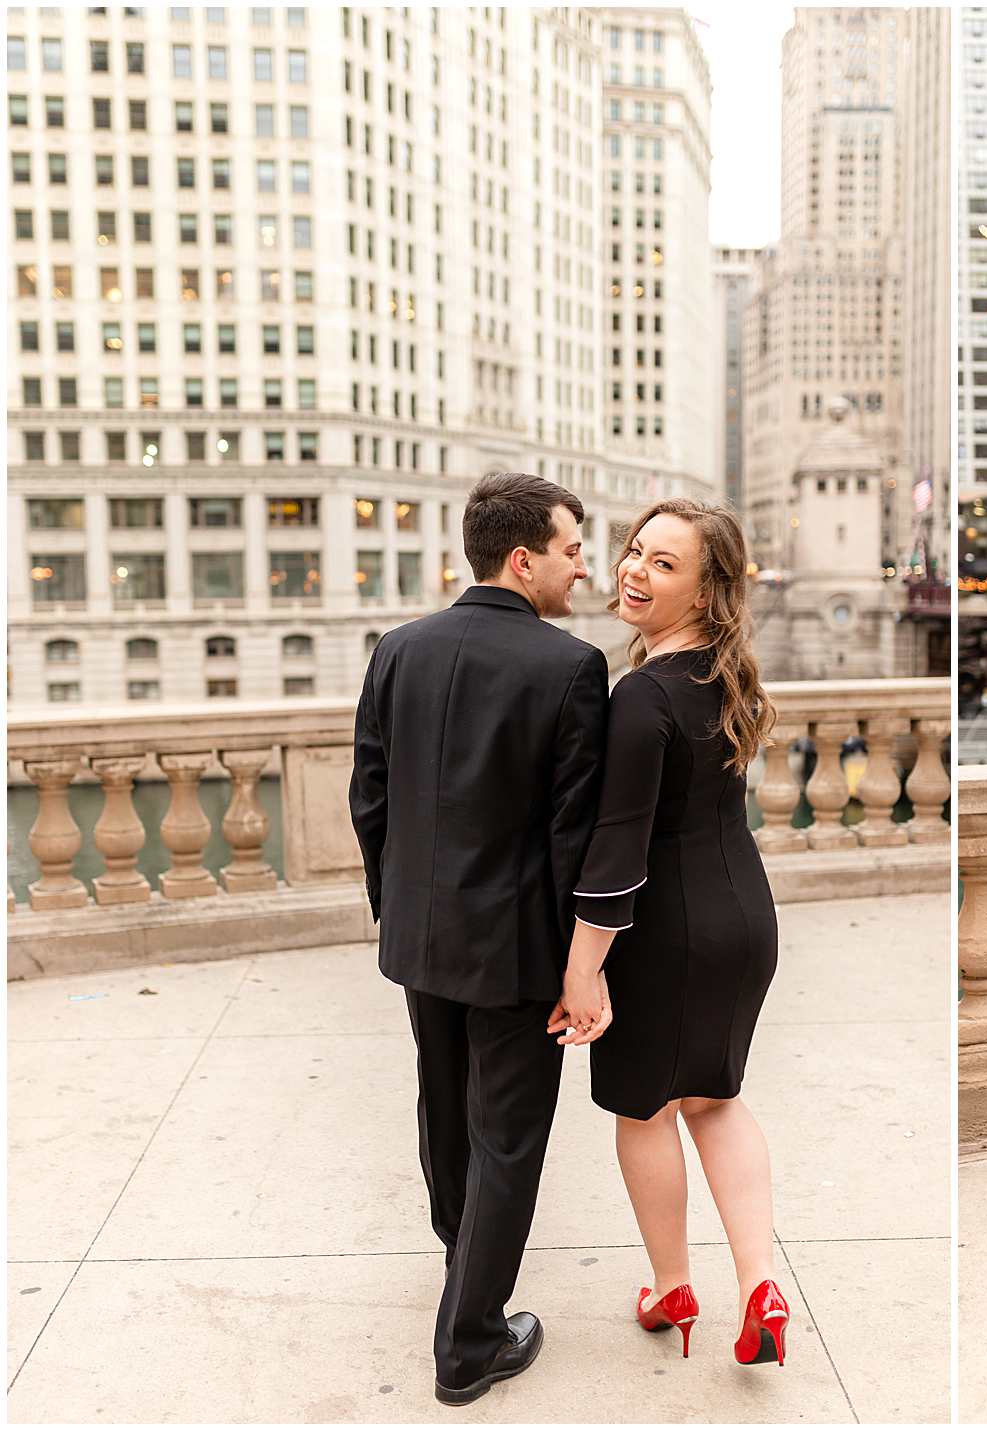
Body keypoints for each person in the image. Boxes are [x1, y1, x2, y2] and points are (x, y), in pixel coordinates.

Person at [349, 472, 608, 1404]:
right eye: (573, 549)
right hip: (514, 953)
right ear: (523, 556)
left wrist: (400, 909)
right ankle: (469, 1342)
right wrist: (578, 962)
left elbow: (368, 795)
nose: (586, 566)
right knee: (509, 1139)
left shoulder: (398, 650)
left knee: (444, 1109)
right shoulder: (572, 667)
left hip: (421, 938)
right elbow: (571, 836)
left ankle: (465, 1260)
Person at [551, 497, 789, 1367]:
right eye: (633, 552)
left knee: (645, 1109)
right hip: (744, 920)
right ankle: (762, 1285)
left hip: (665, 934)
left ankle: (672, 1286)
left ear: (707, 590)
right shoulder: (724, 677)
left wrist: (583, 972)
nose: (632, 571)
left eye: (662, 564)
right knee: (716, 1100)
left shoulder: (641, 696)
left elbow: (616, 857)